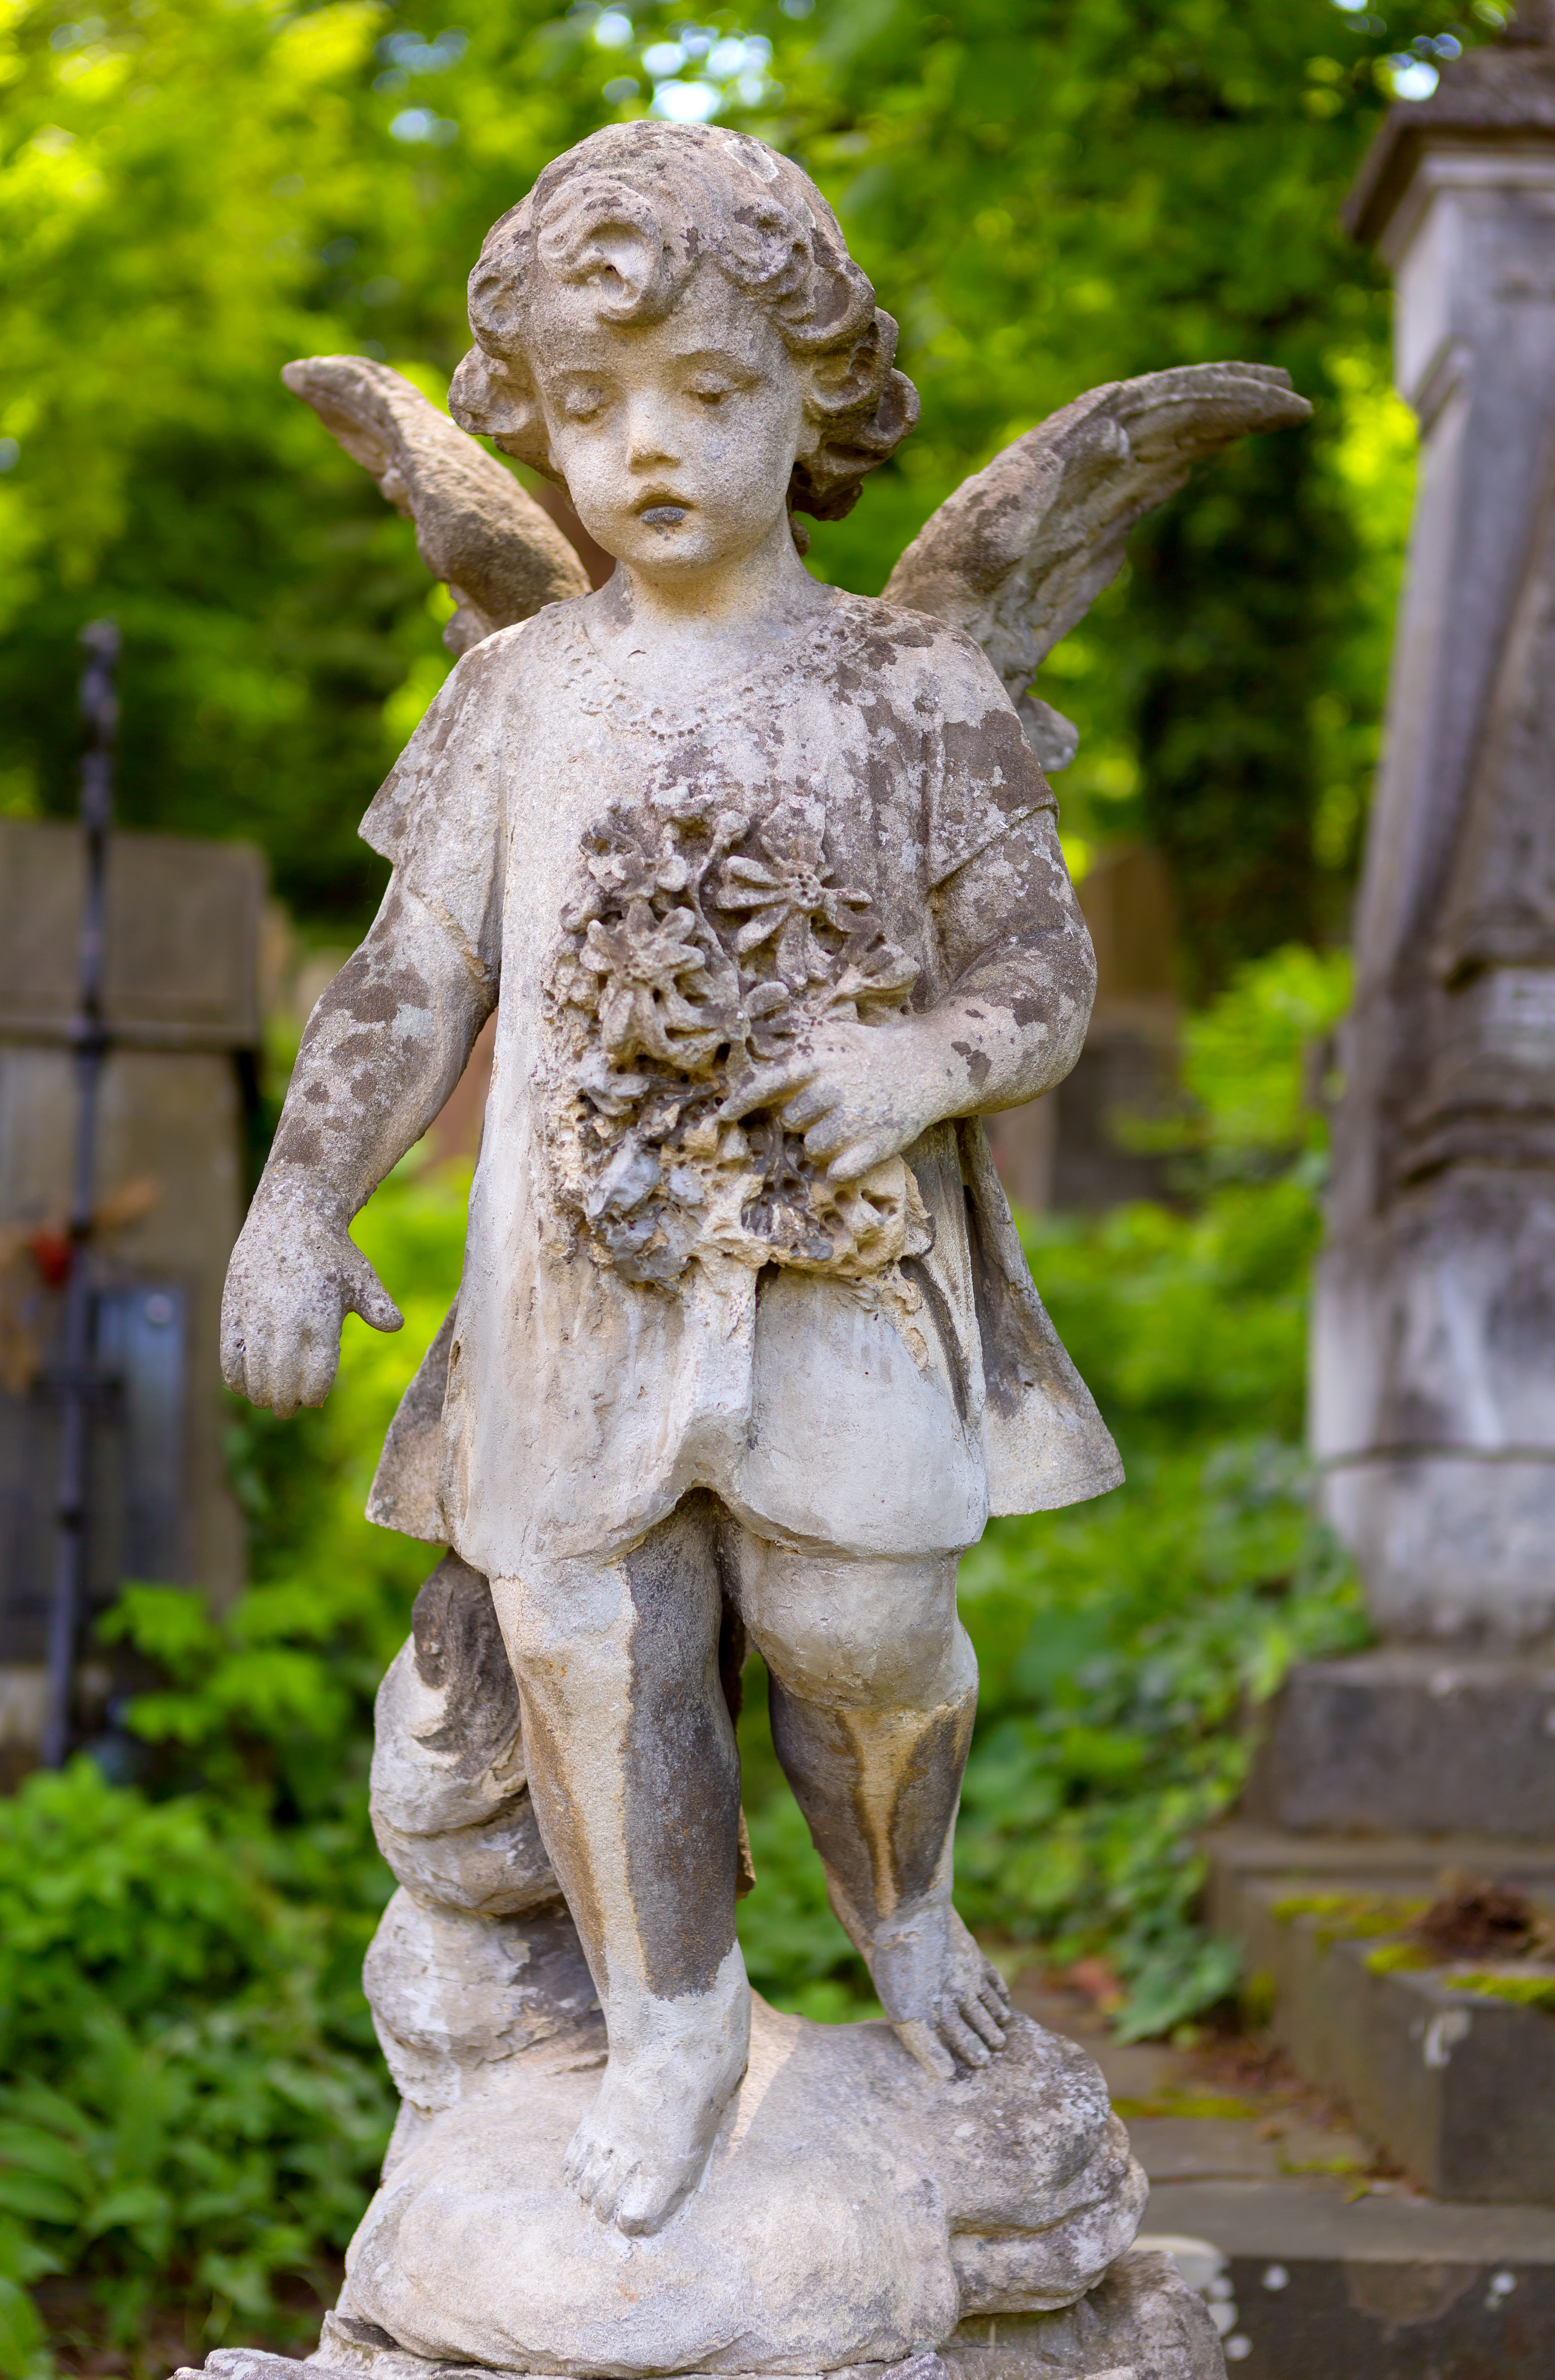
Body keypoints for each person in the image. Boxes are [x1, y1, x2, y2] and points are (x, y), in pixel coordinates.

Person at [221, 119, 1120, 2240]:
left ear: (818, 396)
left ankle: (911, 1919)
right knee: (589, 1636)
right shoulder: (521, 690)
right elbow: (411, 977)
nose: (649, 447)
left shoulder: (914, 686)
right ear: (530, 418)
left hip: (839, 1262)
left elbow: (1039, 970)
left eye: (709, 395)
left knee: (864, 1621)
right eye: (594, 403)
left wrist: (922, 1059)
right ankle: (672, 2017)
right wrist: (296, 1202)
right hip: (577, 1277)